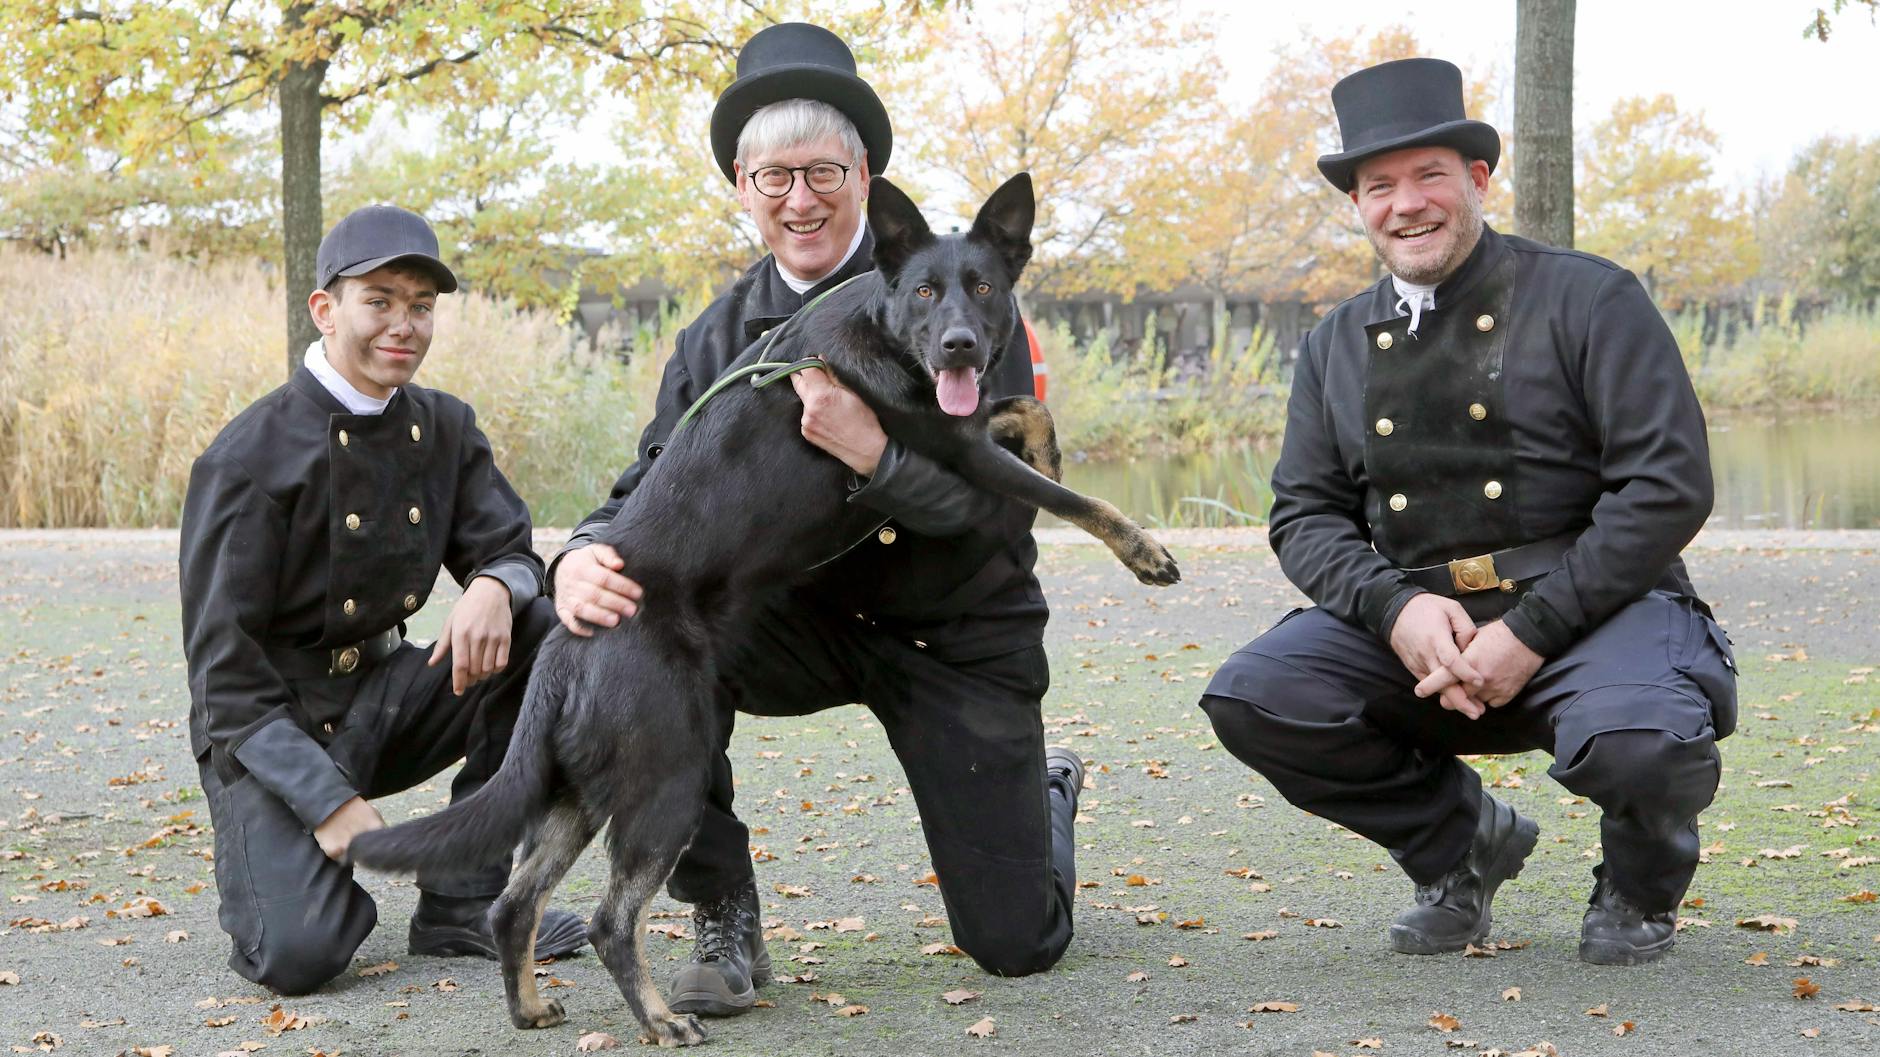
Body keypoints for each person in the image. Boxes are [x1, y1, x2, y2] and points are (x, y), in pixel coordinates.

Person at [550, 22, 1083, 1016]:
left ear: (866, 180)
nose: (799, 200)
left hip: (951, 630)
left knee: (1015, 944)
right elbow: (647, 491)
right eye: (772, 177)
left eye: (823, 173)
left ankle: (1042, 798)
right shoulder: (714, 337)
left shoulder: (963, 295)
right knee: (646, 622)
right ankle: (723, 907)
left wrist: (871, 454)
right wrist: (578, 556)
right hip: (786, 624)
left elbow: (998, 522)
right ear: (742, 188)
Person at [1197, 58, 1736, 966]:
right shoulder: (1333, 343)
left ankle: (1639, 886)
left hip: (1593, 612)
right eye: (1380, 186)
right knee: (1260, 694)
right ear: (1360, 205)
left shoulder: (1592, 298)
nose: (1407, 204)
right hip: (1426, 630)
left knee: (1645, 742)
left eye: (1429, 175)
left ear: (1478, 180)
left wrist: (1533, 628)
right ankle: (1460, 845)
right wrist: (1394, 607)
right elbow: (1304, 515)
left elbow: (1667, 485)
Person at [179, 205, 587, 994]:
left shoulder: (443, 426)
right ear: (325, 310)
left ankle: (464, 900)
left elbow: (508, 543)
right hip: (272, 728)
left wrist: (499, 585)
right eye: (381, 301)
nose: (404, 325)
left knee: (540, 627)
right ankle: (309, 880)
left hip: (385, 692)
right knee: (301, 954)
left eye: (422, 306)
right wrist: (328, 802)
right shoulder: (246, 458)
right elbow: (224, 678)